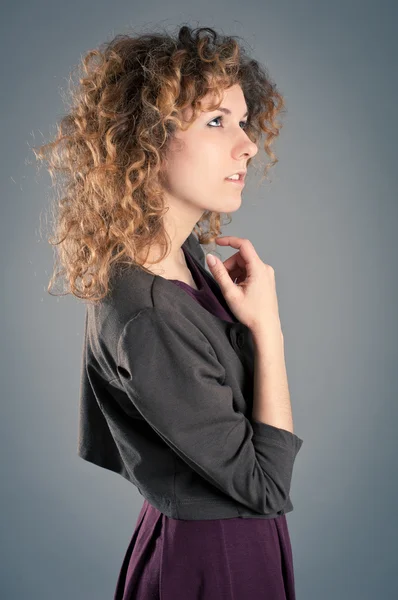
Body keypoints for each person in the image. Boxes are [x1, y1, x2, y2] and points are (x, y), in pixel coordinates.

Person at [34, 24, 304, 600]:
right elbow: (266, 486)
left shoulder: (179, 261)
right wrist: (268, 329)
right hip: (217, 559)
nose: (248, 143)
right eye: (215, 121)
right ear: (144, 139)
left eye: (243, 120)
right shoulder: (149, 312)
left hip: (216, 541)